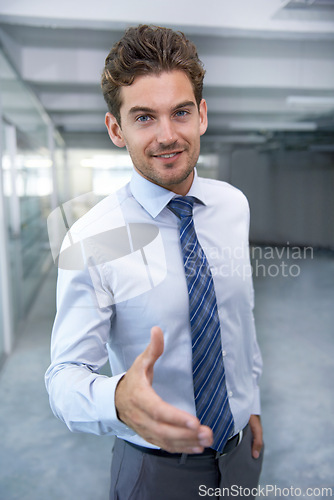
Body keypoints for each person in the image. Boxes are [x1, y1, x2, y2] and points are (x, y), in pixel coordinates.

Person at [45, 24, 264, 499]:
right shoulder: (92, 238)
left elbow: (237, 319)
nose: (168, 136)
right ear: (116, 129)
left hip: (242, 452)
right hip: (156, 470)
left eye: (180, 112)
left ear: (201, 115)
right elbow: (62, 378)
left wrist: (252, 405)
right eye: (144, 117)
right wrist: (117, 398)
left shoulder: (233, 206)